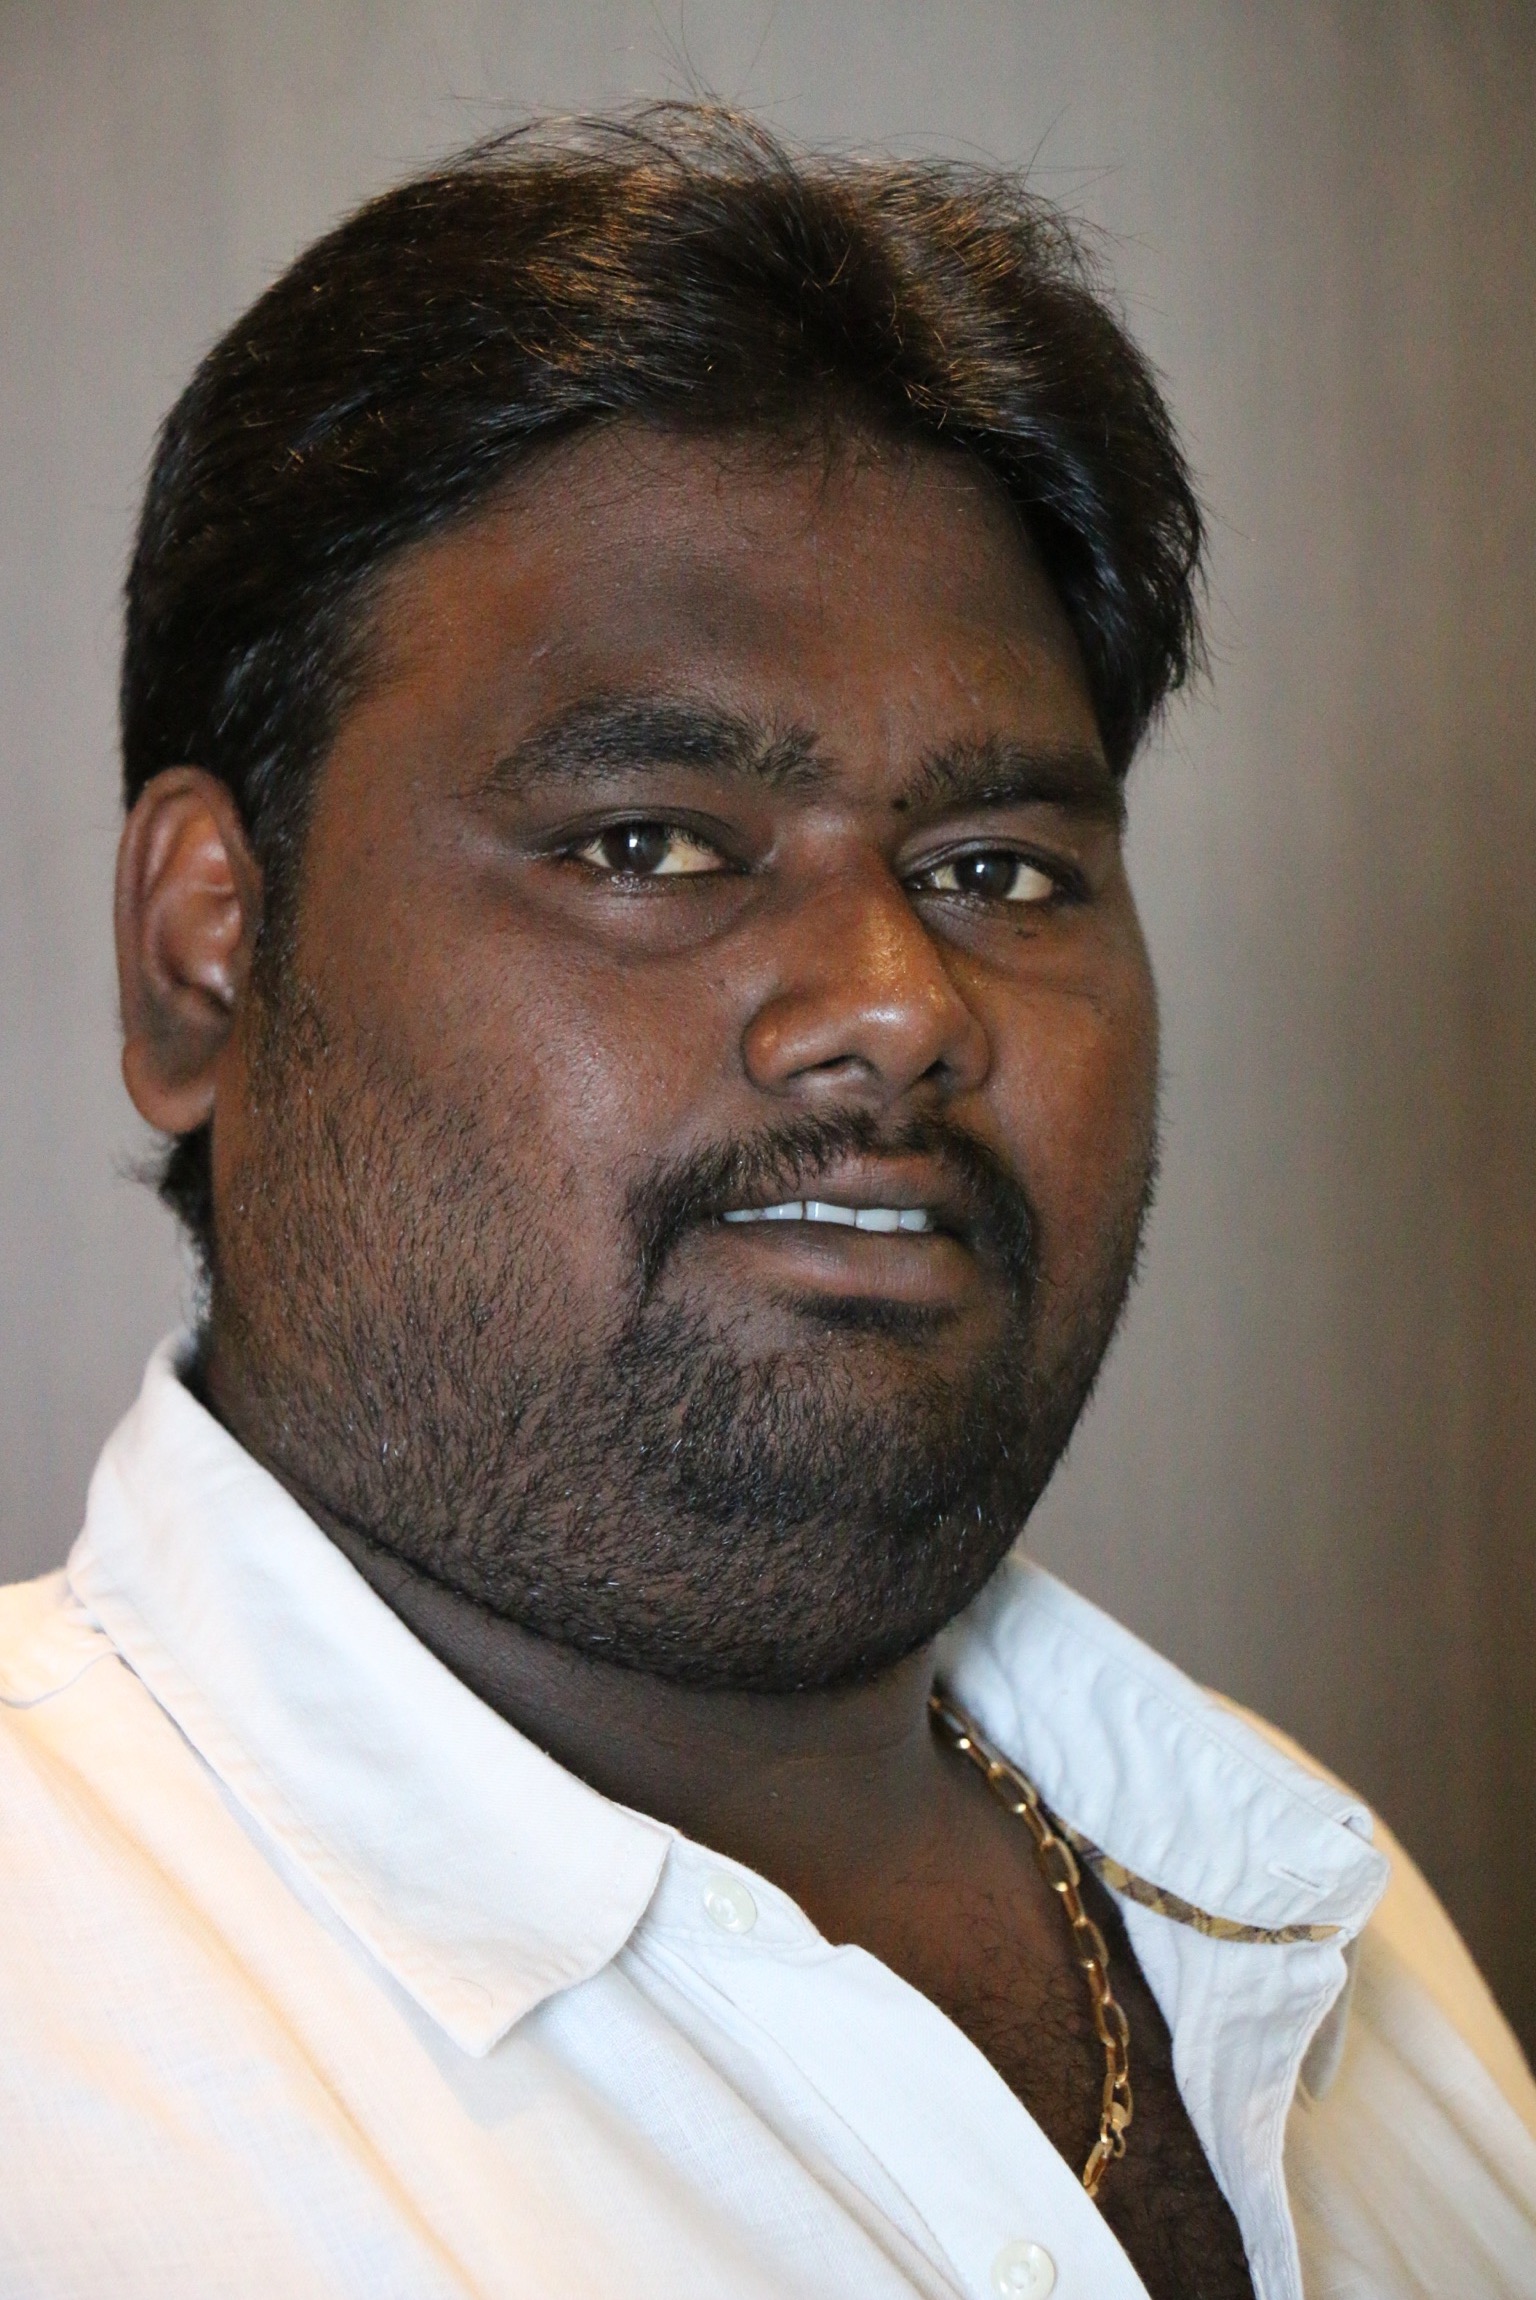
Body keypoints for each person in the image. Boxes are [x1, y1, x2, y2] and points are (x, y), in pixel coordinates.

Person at [1, 106, 1532, 2300]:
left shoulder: (1323, 1914)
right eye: (651, 843)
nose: (900, 1004)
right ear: (206, 955)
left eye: (999, 869)